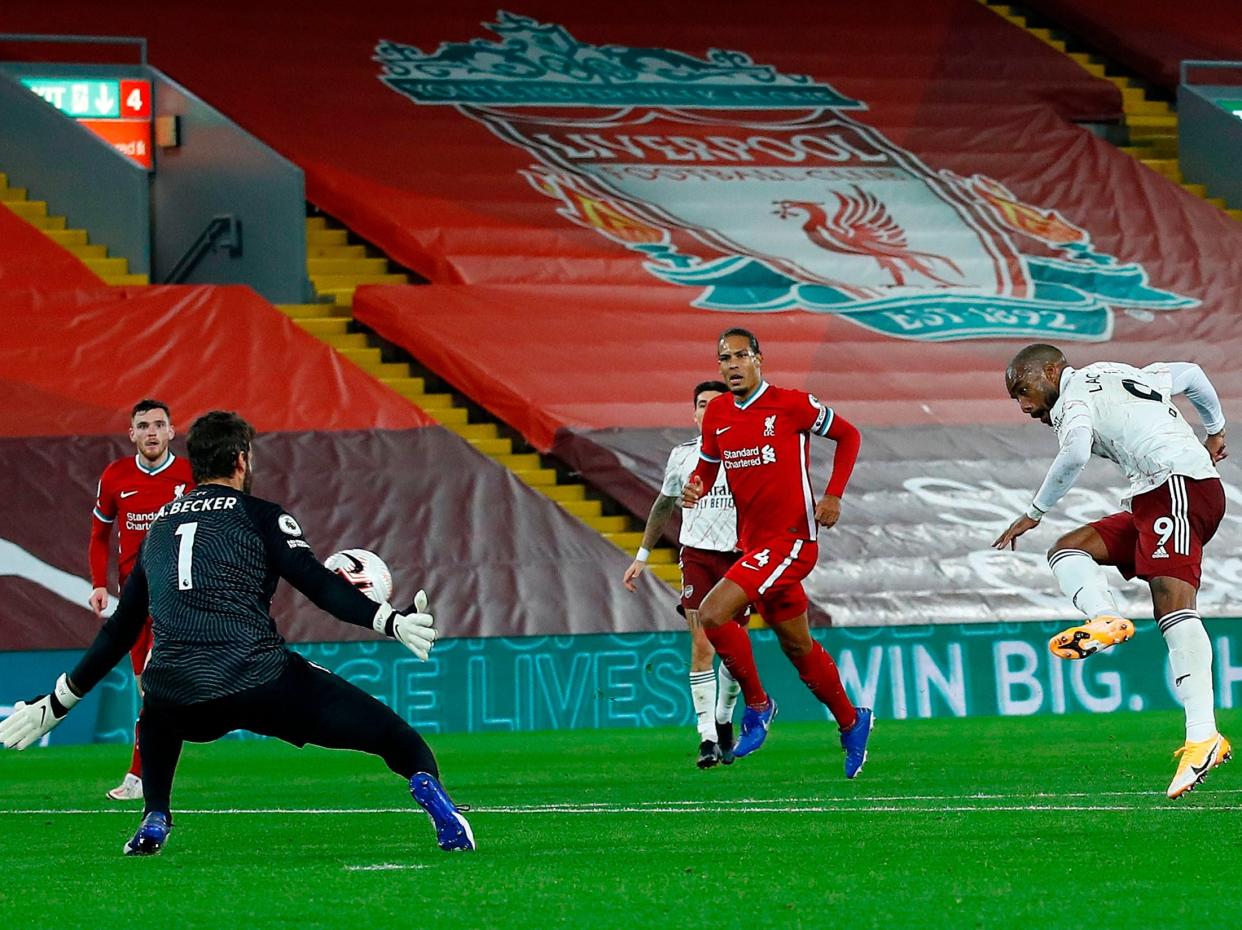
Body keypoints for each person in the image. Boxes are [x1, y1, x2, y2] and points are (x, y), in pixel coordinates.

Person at [2, 411, 473, 854]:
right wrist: (388, 620)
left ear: (195, 463)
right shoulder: (261, 515)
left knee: (158, 709)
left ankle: (155, 815)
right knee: (396, 737)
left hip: (181, 694)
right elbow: (317, 584)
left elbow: (121, 629)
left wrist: (59, 701)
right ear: (242, 458)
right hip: (261, 680)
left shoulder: (159, 528)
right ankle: (432, 795)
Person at [992, 344, 1230, 799]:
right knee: (1069, 551)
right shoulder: (1117, 372)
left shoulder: (1073, 399)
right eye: (1015, 399)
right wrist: (1215, 430)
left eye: (1024, 390)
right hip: (1158, 495)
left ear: (1051, 371)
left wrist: (1035, 511)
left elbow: (1076, 451)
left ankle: (1203, 735)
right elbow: (1193, 374)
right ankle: (1104, 616)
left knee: (1173, 606)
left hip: (1176, 485)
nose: (1024, 406)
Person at [681, 328, 873, 777]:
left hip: (791, 540)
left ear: (759, 359)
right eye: (723, 358)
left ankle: (759, 705)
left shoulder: (793, 405)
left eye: (740, 356)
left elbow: (849, 436)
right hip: (752, 544)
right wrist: (696, 488)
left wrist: (834, 495)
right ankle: (852, 721)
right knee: (798, 646)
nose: (731, 365)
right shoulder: (719, 415)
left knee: (712, 615)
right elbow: (709, 469)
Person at [623, 380, 744, 769]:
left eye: (716, 404)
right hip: (697, 557)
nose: (708, 410)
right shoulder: (683, 456)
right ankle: (706, 736)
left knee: (734, 653)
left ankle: (725, 719)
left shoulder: (749, 454)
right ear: (694, 413)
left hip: (739, 559)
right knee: (701, 647)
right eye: (702, 404)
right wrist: (642, 556)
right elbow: (662, 505)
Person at [88, 399, 195, 801]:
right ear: (132, 433)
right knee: (149, 692)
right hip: (135, 603)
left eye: (159, 424)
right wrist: (100, 584)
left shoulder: (189, 476)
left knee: (157, 687)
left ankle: (140, 777)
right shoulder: (115, 476)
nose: (151, 432)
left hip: (177, 599)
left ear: (171, 431)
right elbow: (99, 535)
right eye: (143, 425)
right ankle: (145, 771)